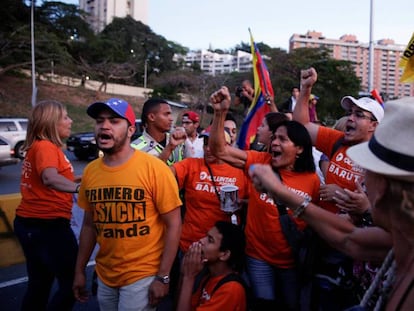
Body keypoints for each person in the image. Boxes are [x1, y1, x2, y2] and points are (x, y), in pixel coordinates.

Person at [248, 96, 414, 310]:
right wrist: (283, 193)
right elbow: (350, 238)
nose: (362, 178)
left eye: (366, 168)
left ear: (381, 188)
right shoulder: (401, 241)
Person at [209, 86, 320, 310]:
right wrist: (220, 113)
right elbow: (220, 150)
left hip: (292, 263)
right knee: (264, 306)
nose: (275, 143)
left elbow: (316, 223)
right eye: (274, 138)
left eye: (283, 139)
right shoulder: (261, 160)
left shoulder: (312, 180)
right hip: (258, 258)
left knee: (292, 306)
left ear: (299, 148)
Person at [73, 98, 182, 311]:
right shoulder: (91, 172)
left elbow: (174, 224)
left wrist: (163, 277)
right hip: (105, 275)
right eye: (100, 121)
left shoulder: (154, 169)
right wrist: (79, 271)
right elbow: (88, 226)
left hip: (143, 276)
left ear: (131, 130)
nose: (104, 126)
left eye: (114, 121)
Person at [293, 68, 385, 309]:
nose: (351, 118)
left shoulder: (381, 160)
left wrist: (341, 195)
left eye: (359, 115)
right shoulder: (337, 141)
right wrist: (306, 89)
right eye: (350, 113)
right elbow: (301, 126)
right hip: (321, 237)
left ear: (373, 125)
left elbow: (385, 209)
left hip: (353, 247)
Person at [13, 100, 80, 311]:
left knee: (39, 284)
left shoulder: (42, 147)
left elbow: (53, 178)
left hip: (32, 225)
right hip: (47, 226)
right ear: (51, 122)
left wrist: (83, 180)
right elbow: (50, 178)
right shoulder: (46, 147)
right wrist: (83, 190)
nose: (70, 121)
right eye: (66, 117)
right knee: (72, 284)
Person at [170, 129, 248, 254]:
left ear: (227, 147)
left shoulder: (241, 170)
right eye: (206, 143)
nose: (207, 149)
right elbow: (161, 176)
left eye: (213, 144)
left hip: (223, 250)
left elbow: (256, 202)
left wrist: (242, 203)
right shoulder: (191, 165)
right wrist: (170, 147)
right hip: (191, 245)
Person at [177, 221, 247, 311]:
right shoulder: (209, 278)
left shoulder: (231, 289)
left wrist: (189, 277)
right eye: (206, 236)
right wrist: (184, 274)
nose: (201, 240)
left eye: (210, 240)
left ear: (224, 254)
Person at [131, 98, 186, 166]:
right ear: (151, 117)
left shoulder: (177, 139)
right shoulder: (135, 149)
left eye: (170, 114)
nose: (171, 119)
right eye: (166, 114)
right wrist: (170, 147)